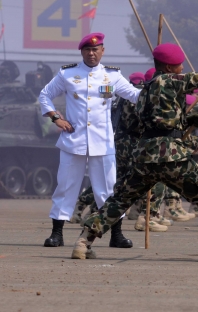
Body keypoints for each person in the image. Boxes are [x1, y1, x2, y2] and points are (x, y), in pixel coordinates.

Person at [70, 43, 198, 262]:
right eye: (178, 65)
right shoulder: (170, 81)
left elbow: (157, 121)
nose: (182, 68)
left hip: (144, 156)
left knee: (119, 200)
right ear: (168, 67)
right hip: (169, 155)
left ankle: (83, 243)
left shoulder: (145, 90)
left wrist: (185, 121)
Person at [39, 33, 140, 248]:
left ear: (103, 50)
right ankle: (57, 234)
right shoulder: (68, 74)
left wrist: (157, 89)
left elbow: (134, 94)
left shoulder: (112, 76)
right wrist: (56, 118)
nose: (91, 53)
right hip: (72, 140)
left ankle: (116, 235)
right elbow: (45, 95)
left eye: (96, 49)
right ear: (81, 52)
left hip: (102, 142)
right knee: (66, 186)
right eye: (87, 50)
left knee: (108, 189)